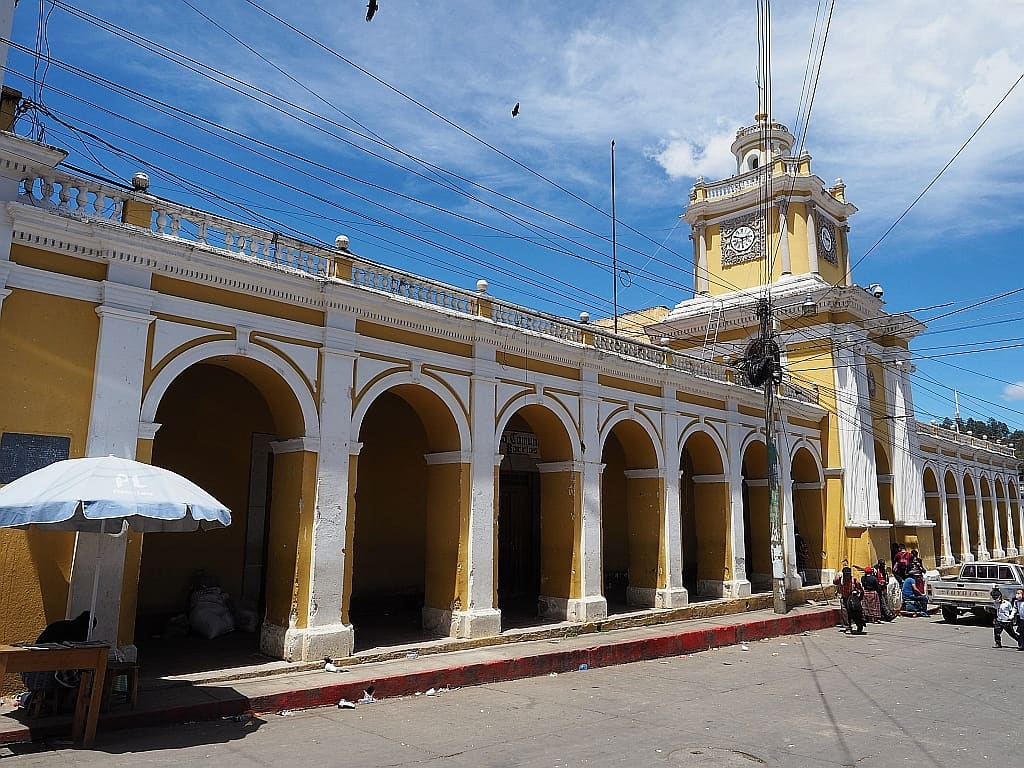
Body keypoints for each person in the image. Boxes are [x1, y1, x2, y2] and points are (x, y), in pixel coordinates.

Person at [834, 566, 864, 633]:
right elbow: (835, 582)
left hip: (852, 599)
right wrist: (837, 576)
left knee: (854, 613)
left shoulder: (854, 580)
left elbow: (861, 589)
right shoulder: (840, 579)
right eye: (845, 574)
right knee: (845, 612)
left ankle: (859, 625)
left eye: (848, 574)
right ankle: (847, 626)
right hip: (844, 598)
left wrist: (858, 596)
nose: (847, 576)